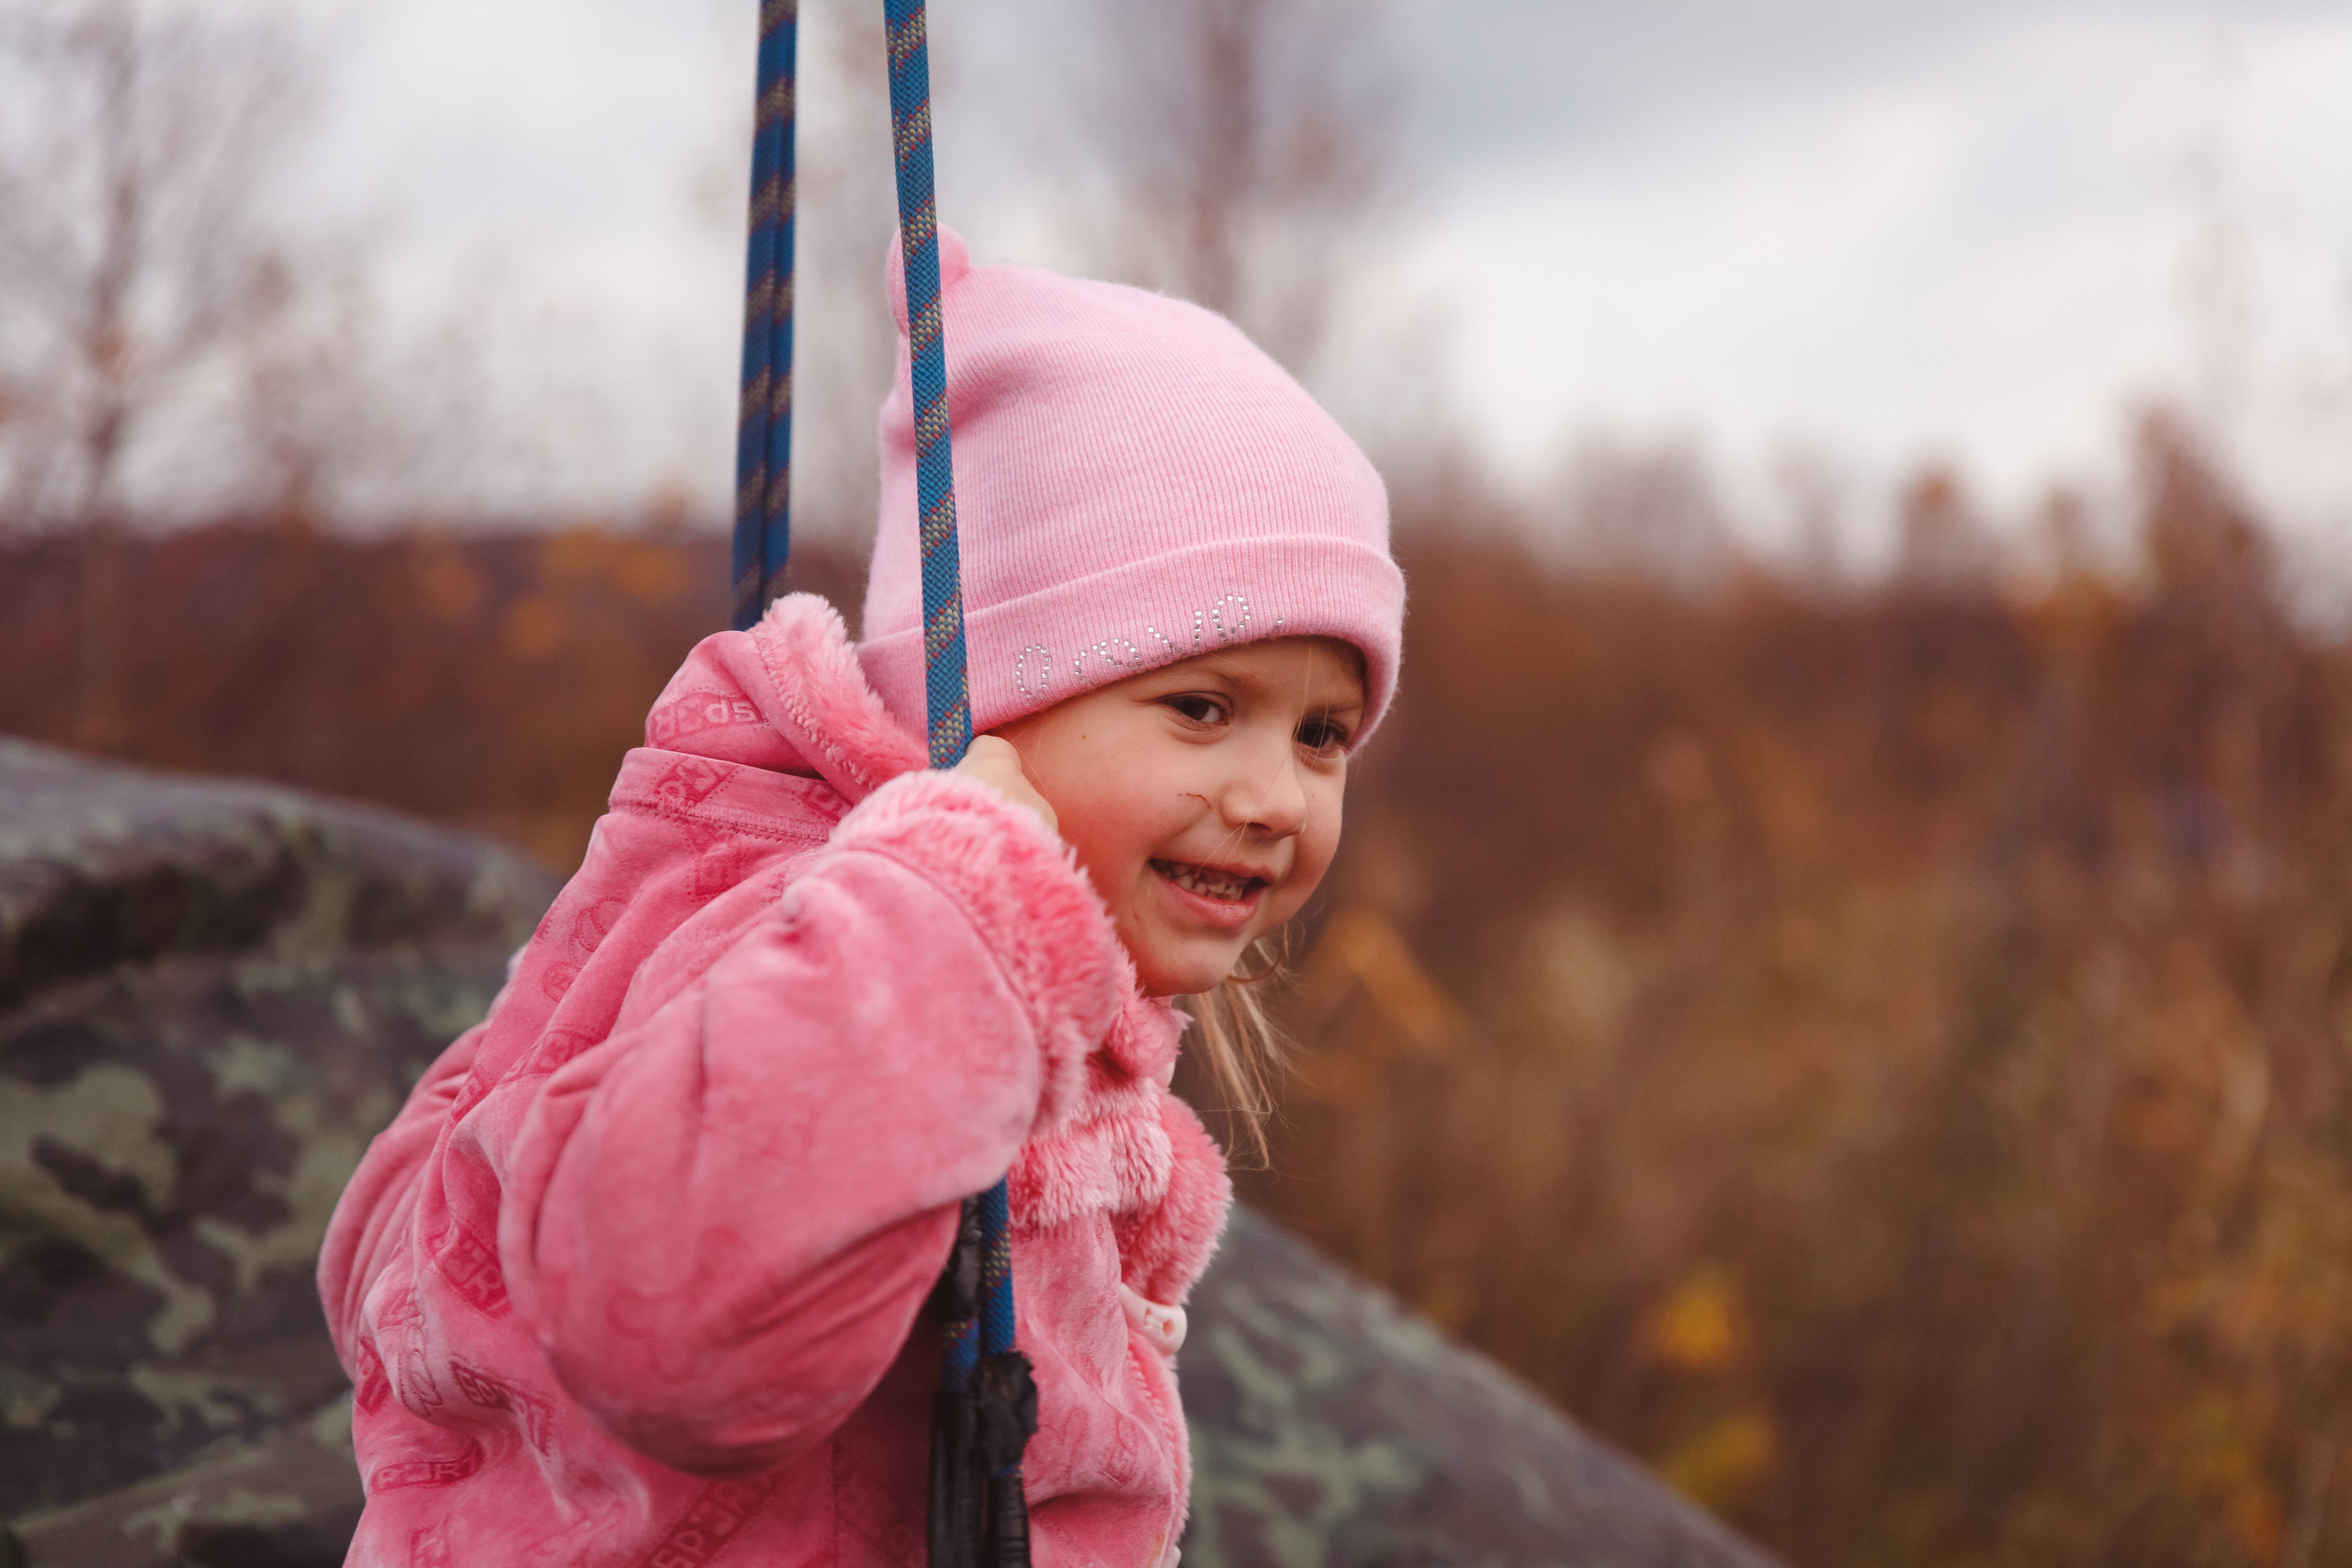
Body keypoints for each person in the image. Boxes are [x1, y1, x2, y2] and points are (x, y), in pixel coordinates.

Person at [318, 226, 1406, 1567]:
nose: (1278, 797)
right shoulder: (828, 943)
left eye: (1322, 734)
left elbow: (402, 1227)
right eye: (1202, 708)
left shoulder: (979, 974)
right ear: (983, 705)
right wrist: (944, 909)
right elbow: (672, 1330)